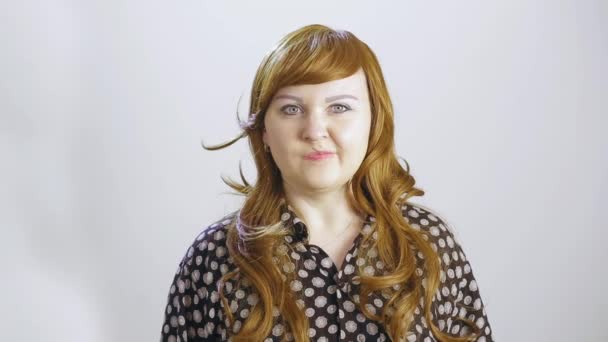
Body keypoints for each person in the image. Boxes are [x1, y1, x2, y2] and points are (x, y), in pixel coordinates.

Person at [160, 24, 493, 341]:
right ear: (264, 131)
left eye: (339, 107)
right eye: (291, 109)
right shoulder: (215, 256)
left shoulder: (428, 245)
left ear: (373, 121)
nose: (315, 130)